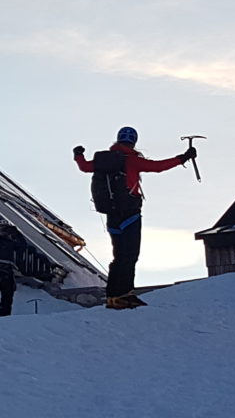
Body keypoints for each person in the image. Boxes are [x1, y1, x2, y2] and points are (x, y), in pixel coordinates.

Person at [73, 127, 196, 309]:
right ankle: (125, 294)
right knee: (130, 255)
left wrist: (78, 155)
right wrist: (183, 158)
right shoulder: (132, 160)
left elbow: (84, 167)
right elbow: (158, 166)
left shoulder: (103, 161)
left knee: (118, 256)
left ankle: (112, 296)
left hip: (111, 215)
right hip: (130, 213)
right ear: (134, 142)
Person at [0, 223, 31, 317]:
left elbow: (23, 246)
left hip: (9, 270)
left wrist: (18, 234)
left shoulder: (11, 243)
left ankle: (6, 315)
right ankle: (4, 315)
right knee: (5, 292)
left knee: (9, 293)